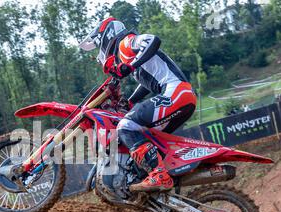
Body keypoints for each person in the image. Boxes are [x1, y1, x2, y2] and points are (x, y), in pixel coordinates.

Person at [79, 17, 197, 192]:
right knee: (147, 137)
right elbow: (149, 81)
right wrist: (131, 101)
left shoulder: (126, 43)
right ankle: (159, 180)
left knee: (126, 126)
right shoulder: (128, 57)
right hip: (183, 97)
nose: (98, 54)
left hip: (175, 93)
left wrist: (131, 66)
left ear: (105, 36)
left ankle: (159, 175)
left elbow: (153, 40)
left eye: (98, 46)